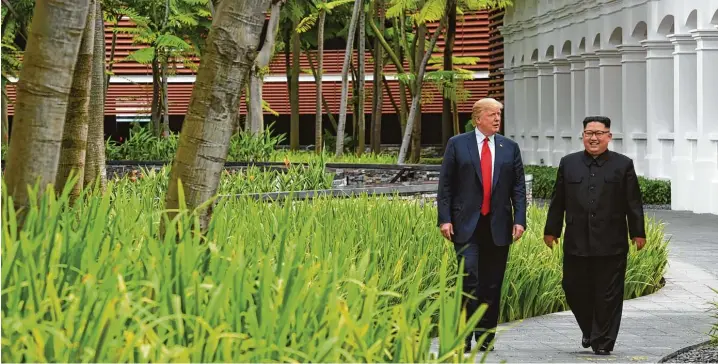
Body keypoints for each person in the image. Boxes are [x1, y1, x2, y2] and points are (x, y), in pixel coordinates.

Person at [543, 116, 646, 356]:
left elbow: (633, 202)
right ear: (583, 135)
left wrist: (638, 233)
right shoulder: (568, 163)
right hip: (577, 240)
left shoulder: (623, 165)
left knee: (608, 293)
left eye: (599, 133)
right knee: (573, 287)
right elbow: (558, 201)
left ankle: (603, 341)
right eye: (589, 133)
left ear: (609, 136)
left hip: (612, 241)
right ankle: (590, 328)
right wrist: (551, 230)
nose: (593, 137)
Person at [437, 97, 527, 352]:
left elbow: (518, 188)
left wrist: (519, 219)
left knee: (492, 283)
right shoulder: (457, 144)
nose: (497, 118)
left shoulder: (510, 147)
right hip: (465, 226)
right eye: (492, 114)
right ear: (478, 119)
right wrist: (444, 219)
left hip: (498, 226)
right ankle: (464, 335)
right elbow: (445, 185)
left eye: (499, 114)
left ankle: (486, 338)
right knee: (469, 278)